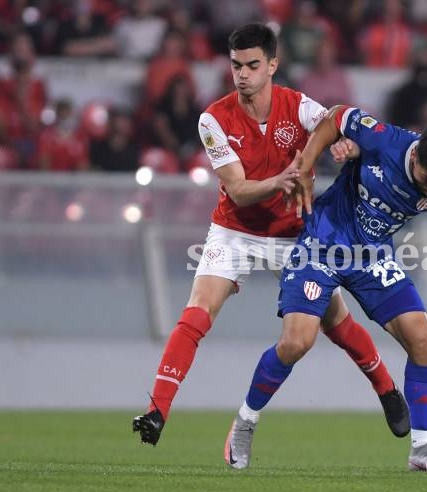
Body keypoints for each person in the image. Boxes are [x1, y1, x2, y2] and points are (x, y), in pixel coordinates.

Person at [133, 23, 408, 447]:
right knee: (196, 314)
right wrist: (282, 179)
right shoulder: (213, 118)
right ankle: (157, 411)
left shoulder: (297, 106)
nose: (242, 74)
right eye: (236, 65)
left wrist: (346, 147)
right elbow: (239, 191)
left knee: (336, 322)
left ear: (273, 65)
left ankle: (387, 390)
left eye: (252, 65)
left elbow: (338, 121)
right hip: (234, 231)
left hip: (294, 234)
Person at [226, 106, 427, 471]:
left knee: (423, 340)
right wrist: (305, 172)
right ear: (417, 151)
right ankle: (246, 422)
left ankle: (421, 449)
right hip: (321, 245)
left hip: (373, 256)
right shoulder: (384, 139)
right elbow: (334, 118)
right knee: (296, 342)